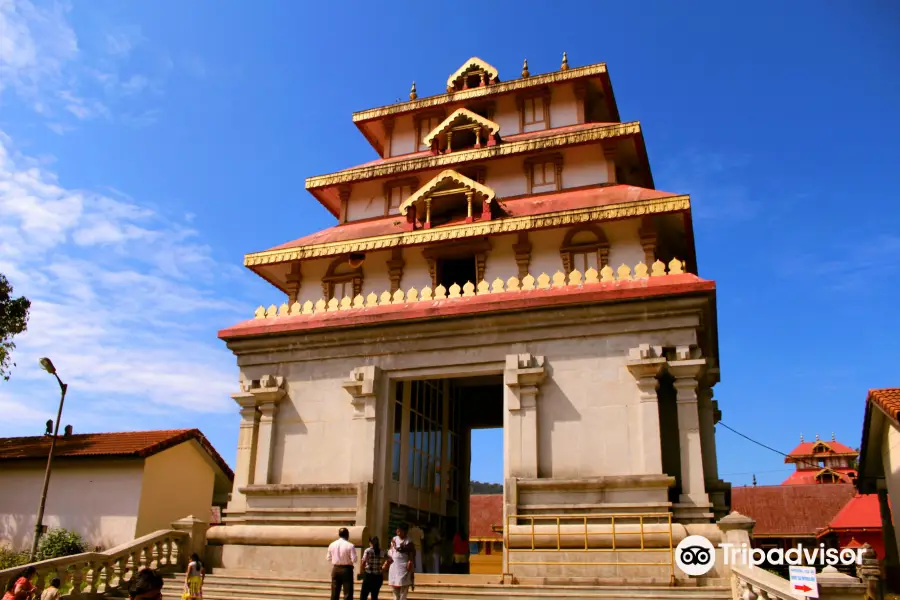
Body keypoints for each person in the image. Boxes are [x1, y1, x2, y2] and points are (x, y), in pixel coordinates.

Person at [326, 527, 357, 600]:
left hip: (336, 569)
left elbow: (328, 558)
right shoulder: (350, 545)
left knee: (334, 592)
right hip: (346, 570)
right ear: (347, 535)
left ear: (339, 535)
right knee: (347, 593)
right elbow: (354, 559)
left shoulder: (332, 544)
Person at [387, 525, 414, 600]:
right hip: (394, 567)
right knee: (395, 591)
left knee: (403, 590)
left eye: (400, 530)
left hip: (404, 567)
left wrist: (411, 567)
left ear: (404, 531)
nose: (397, 532)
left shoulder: (409, 541)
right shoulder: (394, 539)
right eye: (397, 530)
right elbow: (390, 551)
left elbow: (411, 554)